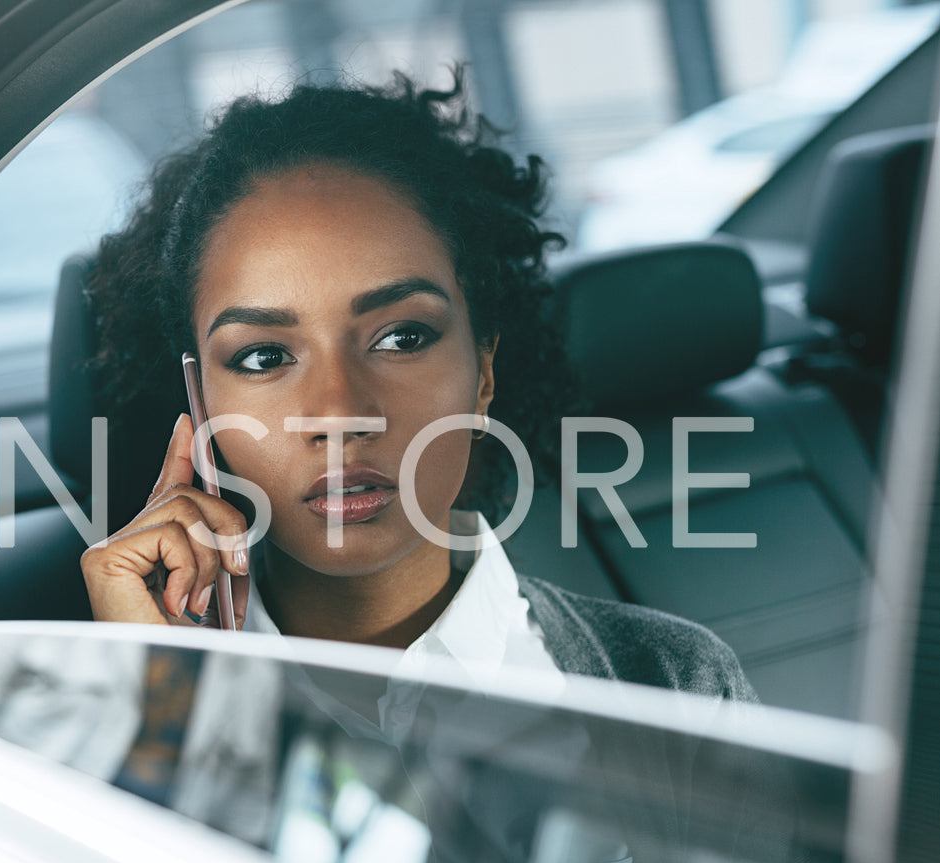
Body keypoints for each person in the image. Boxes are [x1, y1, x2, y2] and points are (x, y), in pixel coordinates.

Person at [79, 73, 755, 705]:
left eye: (401, 337)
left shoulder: (678, 683)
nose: (341, 412)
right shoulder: (113, 702)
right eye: (262, 356)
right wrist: (163, 697)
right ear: (199, 407)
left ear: (483, 370)